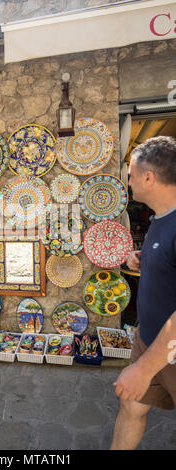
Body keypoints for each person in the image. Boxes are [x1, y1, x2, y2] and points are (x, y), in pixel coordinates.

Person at [110, 136, 176, 450]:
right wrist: (143, 257)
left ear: (148, 177)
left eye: (132, 175)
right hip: (148, 338)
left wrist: (144, 369)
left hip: (169, 352)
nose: (129, 182)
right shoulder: (160, 217)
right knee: (131, 407)